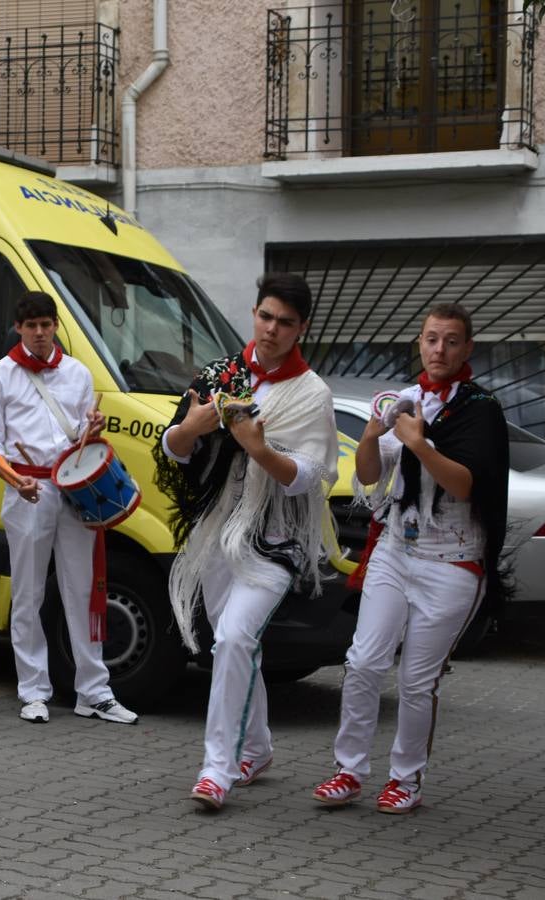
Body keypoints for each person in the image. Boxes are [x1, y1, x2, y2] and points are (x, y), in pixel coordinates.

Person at [311, 302, 509, 814]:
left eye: (450, 340)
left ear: (467, 348)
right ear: (418, 344)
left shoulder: (479, 408)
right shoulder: (404, 399)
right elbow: (371, 476)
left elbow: (466, 485)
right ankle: (348, 770)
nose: (438, 349)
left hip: (452, 559)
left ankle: (406, 779)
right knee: (361, 662)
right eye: (430, 339)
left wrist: (420, 444)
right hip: (396, 550)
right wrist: (374, 437)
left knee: (418, 680)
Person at [154, 273, 338, 811]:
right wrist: (193, 426)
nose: (272, 329)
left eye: (285, 322)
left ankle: (218, 768)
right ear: (254, 313)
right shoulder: (221, 373)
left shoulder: (312, 394)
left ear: (301, 328)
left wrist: (257, 448)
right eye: (265, 316)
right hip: (215, 534)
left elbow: (308, 475)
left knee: (234, 639)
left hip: (274, 540)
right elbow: (174, 449)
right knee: (234, 646)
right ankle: (255, 747)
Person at [0, 291, 136, 726]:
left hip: (74, 486)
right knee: (28, 592)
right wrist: (14, 479)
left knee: (83, 591)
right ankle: (32, 691)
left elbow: (80, 432)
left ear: (55, 326)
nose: (41, 333)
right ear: (19, 328)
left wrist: (94, 427)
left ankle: (94, 691)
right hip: (26, 488)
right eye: (33, 326)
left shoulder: (78, 373)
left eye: (47, 325)